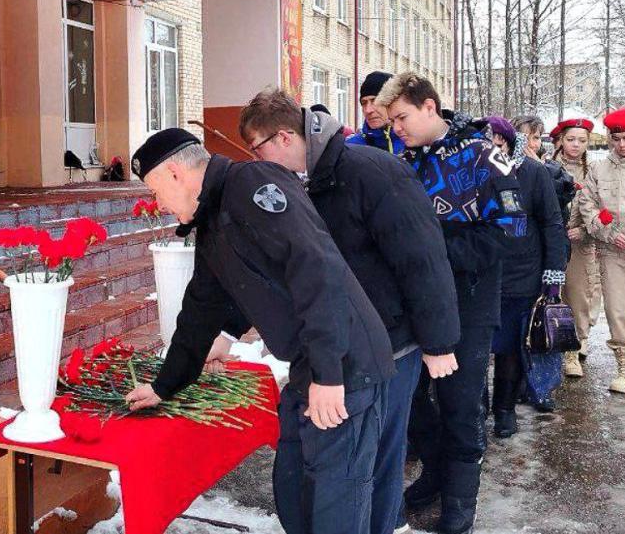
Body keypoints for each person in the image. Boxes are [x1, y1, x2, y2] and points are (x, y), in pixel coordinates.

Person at [124, 129, 398, 534]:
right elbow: (201, 307)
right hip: (310, 366)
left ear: (176, 173)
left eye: (155, 190)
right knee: (295, 494)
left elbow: (318, 270)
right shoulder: (214, 217)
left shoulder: (252, 186)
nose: (158, 204)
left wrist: (328, 373)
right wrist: (166, 385)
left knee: (336, 507)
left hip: (346, 368)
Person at [237, 90, 461, 534]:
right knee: (351, 462)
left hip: (393, 345)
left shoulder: (370, 172)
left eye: (256, 148)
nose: (254, 160)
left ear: (284, 137)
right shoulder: (301, 183)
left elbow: (423, 259)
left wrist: (438, 342)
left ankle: (386, 525)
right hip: (343, 346)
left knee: (380, 455)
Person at [376, 73, 526, 534]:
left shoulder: (483, 155)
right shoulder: (403, 160)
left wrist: (437, 251)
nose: (395, 128)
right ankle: (436, 475)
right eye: (389, 121)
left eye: (401, 117)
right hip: (413, 306)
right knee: (414, 399)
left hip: (469, 302)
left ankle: (461, 503)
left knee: (461, 405)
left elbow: (512, 227)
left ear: (429, 107)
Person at [486, 116, 568, 433]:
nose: (492, 151)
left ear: (510, 142)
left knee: (510, 347)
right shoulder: (472, 171)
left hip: (522, 274)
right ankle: (475, 407)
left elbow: (551, 223)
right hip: (482, 272)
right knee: (475, 350)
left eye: (499, 145)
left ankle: (505, 409)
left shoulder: (533, 173)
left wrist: (552, 275)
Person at [578, 107, 625, 394]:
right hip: (613, 254)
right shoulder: (599, 169)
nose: (621, 145)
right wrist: (608, 232)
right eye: (616, 139)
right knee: (617, 311)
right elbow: (587, 207)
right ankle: (623, 368)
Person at [550, 119, 600, 377]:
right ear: (560, 140)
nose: (576, 145)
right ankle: (548, 342)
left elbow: (603, 209)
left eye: (582, 140)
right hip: (550, 242)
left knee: (578, 295)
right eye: (571, 139)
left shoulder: (594, 170)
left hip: (580, 242)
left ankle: (573, 351)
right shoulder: (547, 166)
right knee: (550, 293)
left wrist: (584, 229)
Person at [347, 71, 406, 155]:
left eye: (375, 101)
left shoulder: (414, 142)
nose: (368, 110)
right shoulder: (350, 148)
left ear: (393, 102)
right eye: (364, 103)